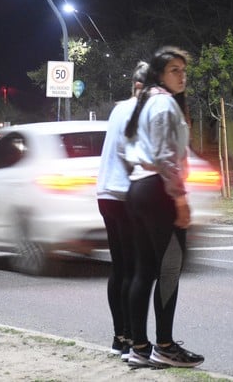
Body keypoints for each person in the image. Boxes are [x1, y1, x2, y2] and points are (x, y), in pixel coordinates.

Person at [121, 46, 204, 369]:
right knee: (169, 270)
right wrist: (180, 198)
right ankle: (165, 346)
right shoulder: (164, 104)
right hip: (158, 192)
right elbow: (166, 157)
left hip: (138, 188)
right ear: (159, 74)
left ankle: (139, 347)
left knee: (144, 271)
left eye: (184, 70)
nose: (182, 76)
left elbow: (132, 148)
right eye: (174, 70)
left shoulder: (143, 103)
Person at [96, 60, 148, 362]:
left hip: (106, 193)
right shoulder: (136, 111)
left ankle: (120, 337)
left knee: (120, 268)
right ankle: (132, 339)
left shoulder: (119, 108)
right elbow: (128, 151)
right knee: (133, 269)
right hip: (123, 193)